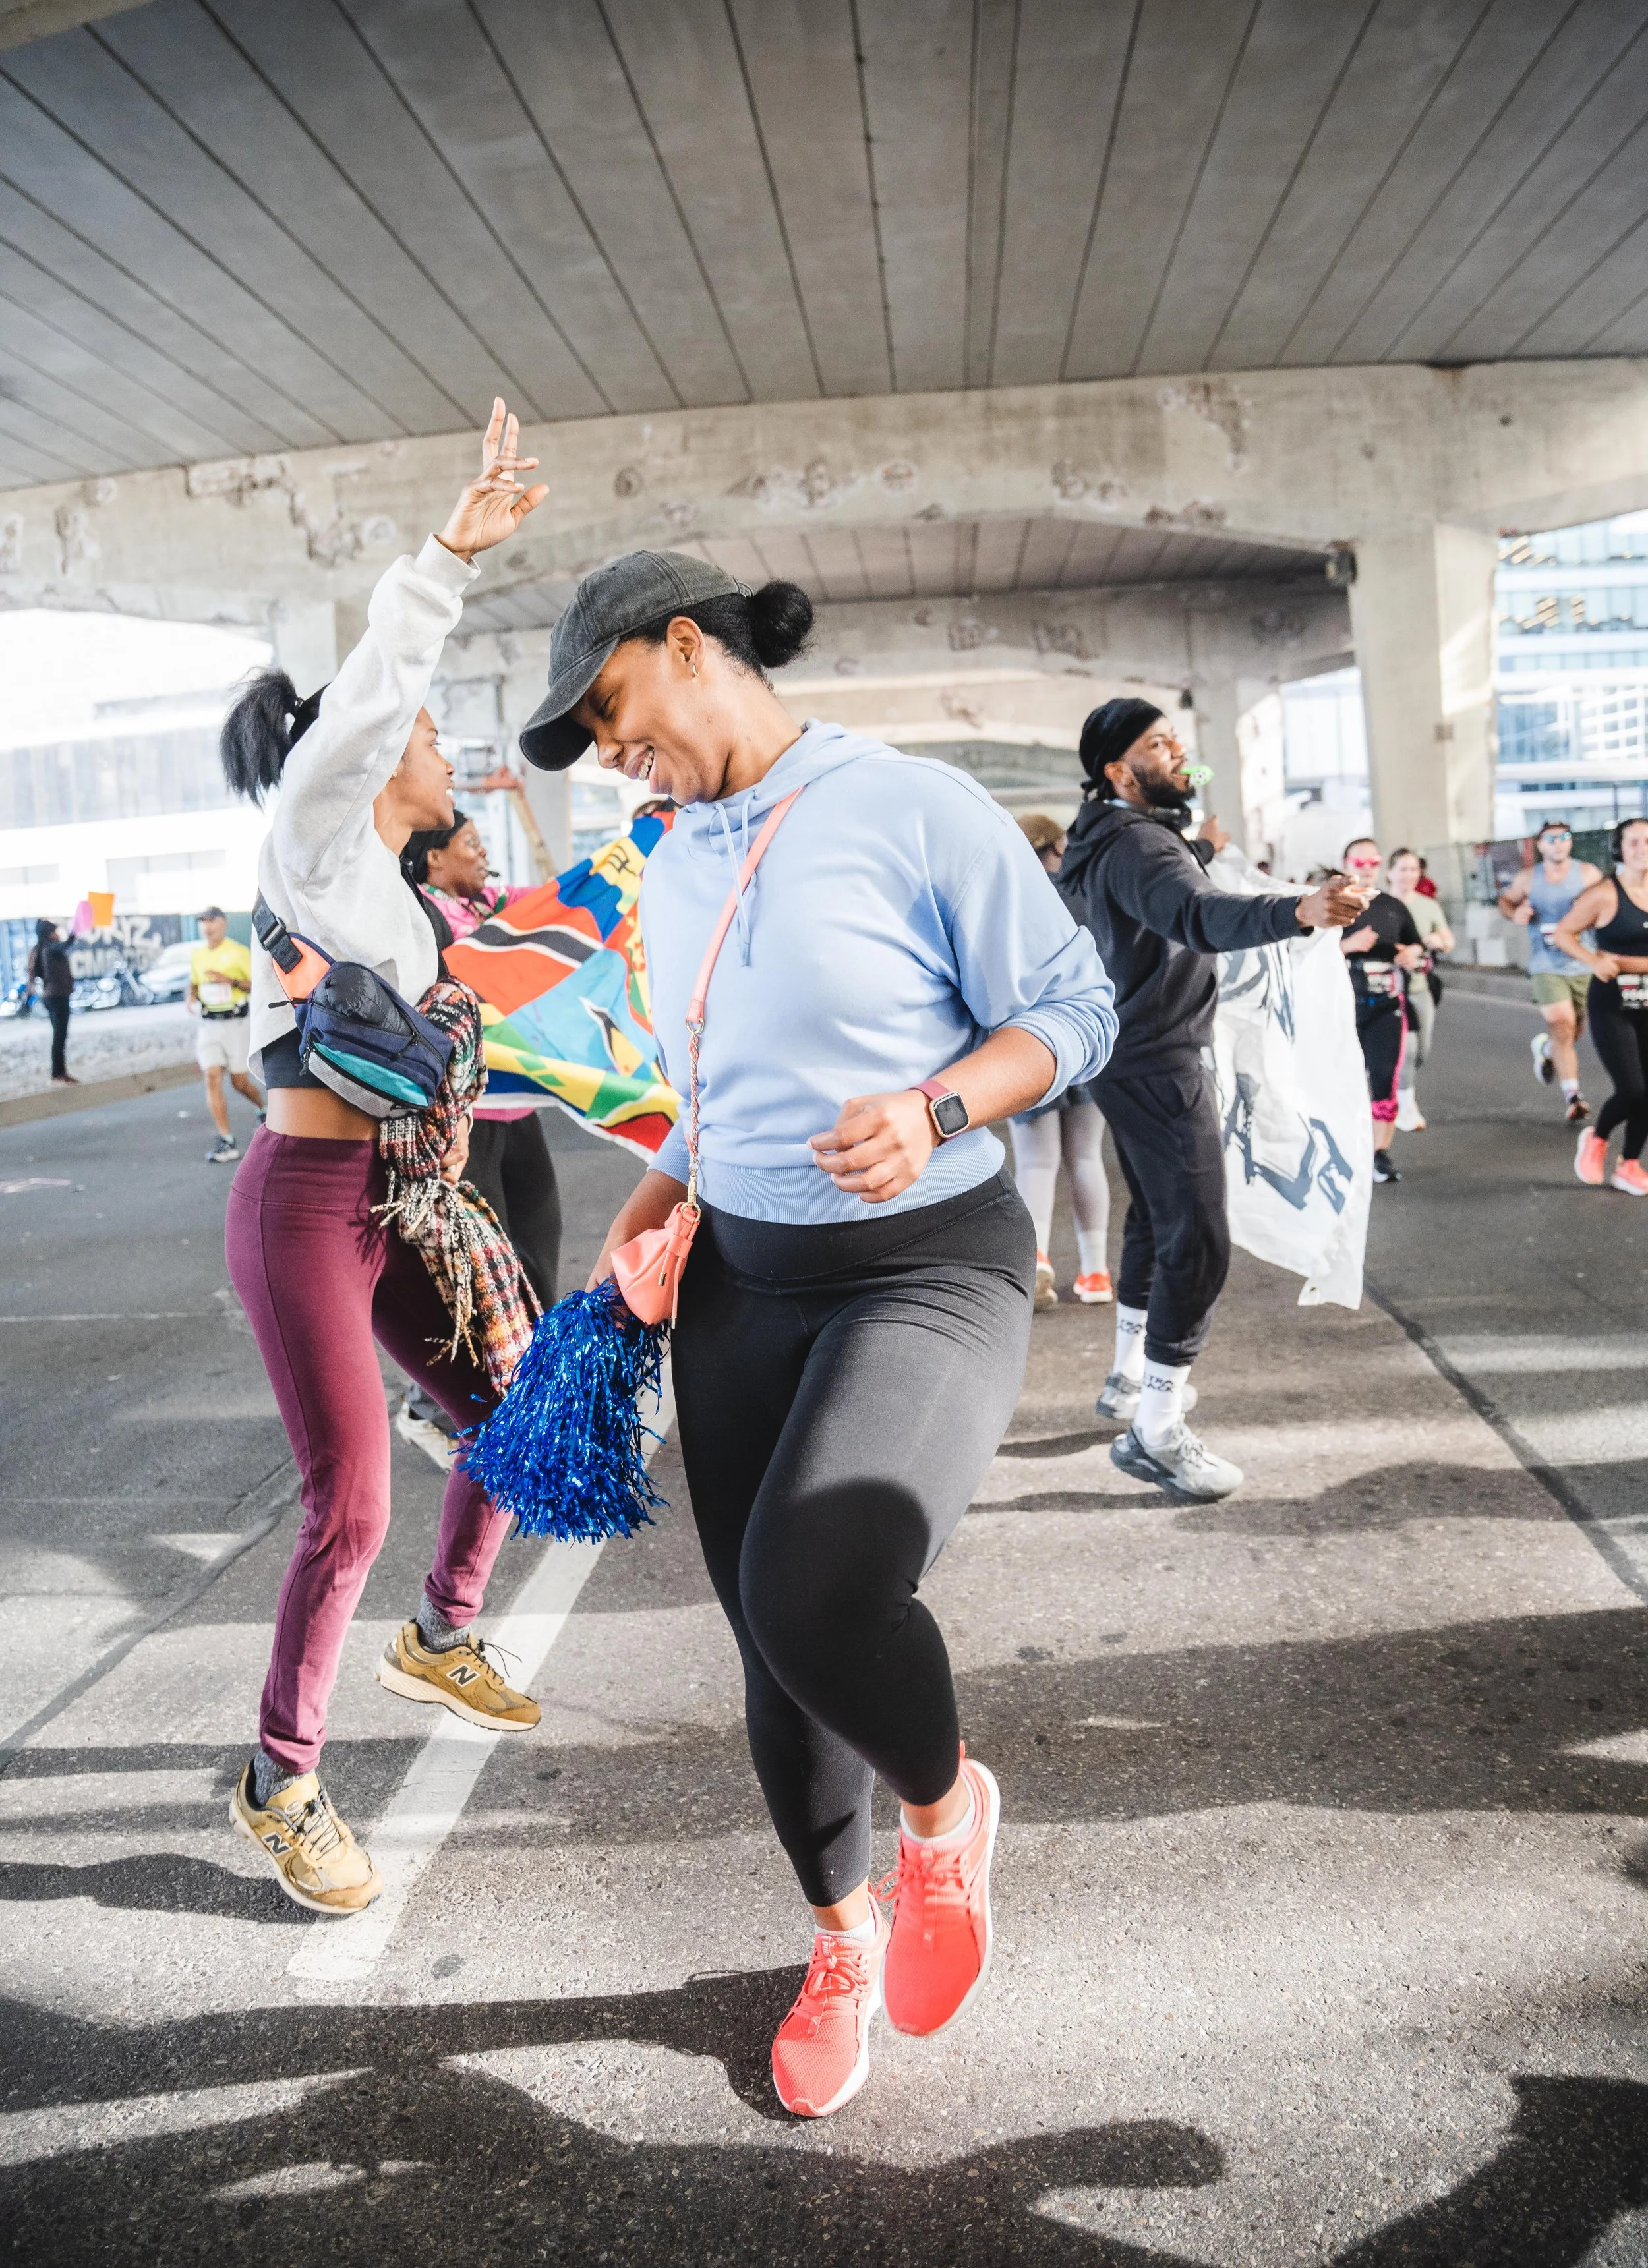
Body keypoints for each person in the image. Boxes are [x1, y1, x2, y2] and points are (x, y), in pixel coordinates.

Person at [517, 546, 1116, 2120]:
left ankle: (942, 1811)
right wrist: (650, 1200)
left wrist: (935, 1104)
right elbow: (712, 1088)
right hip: (738, 1277)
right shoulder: (668, 854)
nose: (609, 749)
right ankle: (837, 1940)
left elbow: (1076, 1008)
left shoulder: (911, 805)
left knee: (819, 1577)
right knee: (772, 1645)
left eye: (611, 704)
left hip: (926, 1262)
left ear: (690, 641)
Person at [217, 399, 550, 1917]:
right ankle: (280, 1776)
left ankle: (443, 1630)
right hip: (301, 1203)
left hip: (396, 1200)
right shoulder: (315, 828)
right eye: (420, 729)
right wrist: (445, 560)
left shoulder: (402, 904)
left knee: (511, 1415)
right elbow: (372, 696)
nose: (435, 740)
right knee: (347, 1498)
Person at [1058, 701, 1363, 1506]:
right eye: (1159, 745)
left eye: (1178, 741)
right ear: (1120, 773)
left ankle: (1128, 1377)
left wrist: (1200, 845)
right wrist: (1298, 910)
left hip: (1123, 1053)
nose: (1180, 754)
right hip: (1159, 1060)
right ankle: (1156, 1431)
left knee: (1156, 1219)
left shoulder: (1103, 837)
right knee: (1198, 1238)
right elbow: (1192, 916)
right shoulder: (1137, 842)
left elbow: (1166, 895)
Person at [403, 810, 562, 1308]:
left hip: (515, 1101)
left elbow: (551, 900)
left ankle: (538, 1363)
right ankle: (481, 1376)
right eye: (471, 844)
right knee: (483, 1258)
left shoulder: (487, 907)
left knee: (539, 1238)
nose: (485, 855)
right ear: (435, 856)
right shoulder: (420, 915)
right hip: (467, 1118)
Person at [1008, 813, 1113, 1306]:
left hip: (1027, 1044)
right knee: (1086, 1156)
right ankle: (1096, 1274)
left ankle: (1036, 1259)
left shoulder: (1009, 899)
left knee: (1037, 1161)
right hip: (1086, 1040)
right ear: (1058, 846)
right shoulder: (1082, 895)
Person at [1550, 817, 1648, 1196]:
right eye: (1634, 842)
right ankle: (1597, 1138)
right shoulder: (1605, 894)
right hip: (1614, 1004)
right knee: (1634, 1090)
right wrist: (1594, 961)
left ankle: (1629, 1167)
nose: (1643, 849)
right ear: (1619, 850)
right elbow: (1563, 933)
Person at [1498, 821, 1599, 1124]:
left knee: (1571, 1032)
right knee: (1561, 1022)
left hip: (1584, 963)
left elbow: (1607, 905)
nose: (1558, 843)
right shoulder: (1529, 879)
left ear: (1570, 843)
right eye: (1551, 839)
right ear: (1540, 845)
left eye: (1564, 837)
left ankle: (1545, 1048)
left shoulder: (1588, 874)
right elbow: (1506, 901)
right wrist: (1514, 912)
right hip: (1546, 964)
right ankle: (1573, 1097)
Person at [1339, 838, 1425, 1184]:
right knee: (1343, 1080)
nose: (1368, 869)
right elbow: (1303, 953)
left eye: (1373, 862)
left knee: (1383, 1077)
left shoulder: (1392, 906)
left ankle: (1379, 1154)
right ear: (1346, 864)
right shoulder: (1331, 905)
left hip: (1387, 1004)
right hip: (1341, 1009)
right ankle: (1345, 1149)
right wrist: (1346, 946)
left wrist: (1412, 954)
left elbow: (1416, 941)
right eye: (1359, 863)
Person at [187, 905, 263, 1163]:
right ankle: (227, 1140)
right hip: (208, 1024)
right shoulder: (197, 955)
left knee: (239, 1082)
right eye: (203, 921)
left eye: (212, 921)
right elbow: (194, 982)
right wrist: (190, 997)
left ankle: (263, 1109)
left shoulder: (238, 953)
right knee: (211, 1076)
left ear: (224, 923)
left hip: (236, 1023)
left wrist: (228, 981)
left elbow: (258, 985)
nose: (207, 926)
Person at [1386, 848, 1454, 1134]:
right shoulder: (1379, 904)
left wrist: (1436, 940)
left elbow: (1448, 940)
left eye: (1413, 870)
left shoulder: (1428, 905)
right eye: (1402, 869)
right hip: (1388, 990)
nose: (1408, 876)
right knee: (1408, 1048)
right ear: (1389, 873)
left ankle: (1397, 1088)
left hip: (1420, 987)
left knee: (1421, 1051)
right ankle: (1404, 1105)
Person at [25, 918, 75, 1084]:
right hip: (58, 996)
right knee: (60, 1036)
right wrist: (75, 932)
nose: (57, 934)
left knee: (59, 1035)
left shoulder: (41, 950)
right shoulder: (51, 948)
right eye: (54, 931)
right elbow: (65, 945)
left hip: (51, 996)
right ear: (49, 934)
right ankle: (59, 1072)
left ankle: (59, 1072)